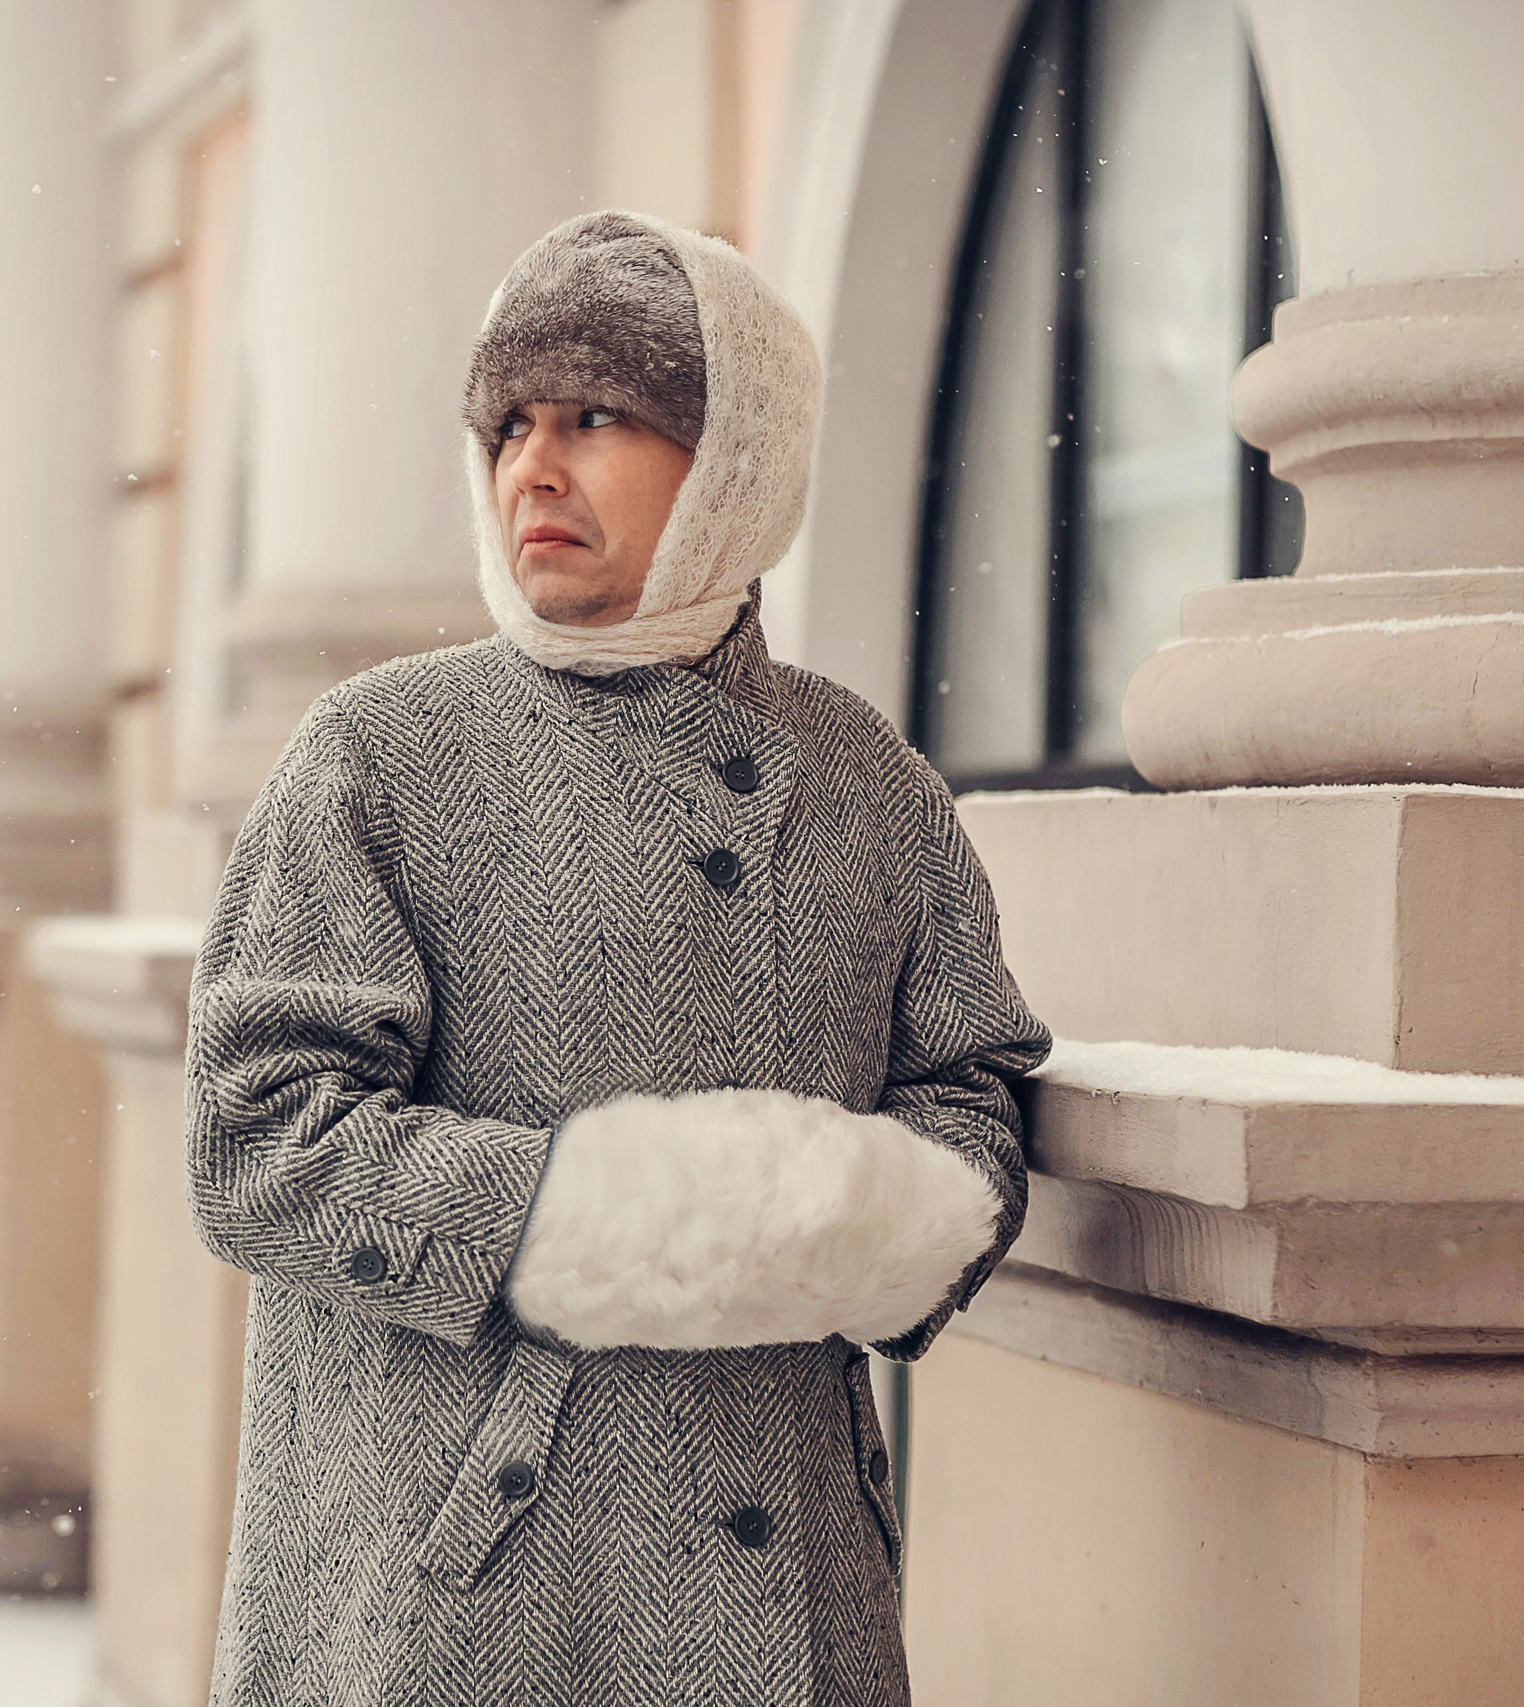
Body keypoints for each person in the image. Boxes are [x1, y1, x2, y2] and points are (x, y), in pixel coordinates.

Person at [185, 209, 1050, 1706]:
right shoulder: (380, 756)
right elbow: (258, 1143)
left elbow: (974, 1091)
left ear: (737, 458)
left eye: (595, 415)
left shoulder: (869, 779)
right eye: (509, 423)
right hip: (461, 1602)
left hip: (792, 1606)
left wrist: (861, 1220)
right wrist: (610, 1221)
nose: (534, 464)